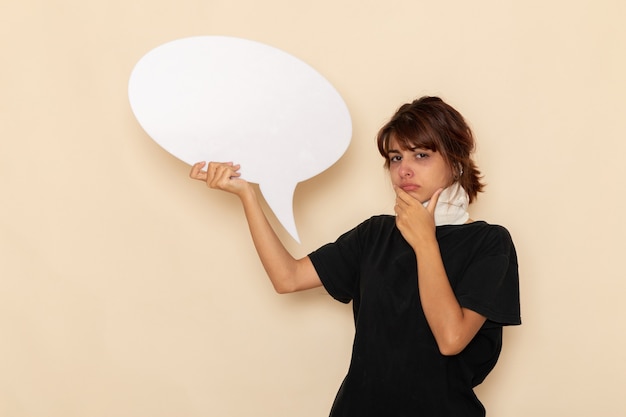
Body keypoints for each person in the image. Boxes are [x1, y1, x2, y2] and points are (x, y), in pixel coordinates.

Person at [189, 96, 521, 417]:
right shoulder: (374, 234)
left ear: (456, 160)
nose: (404, 169)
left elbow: (451, 339)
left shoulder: (489, 242)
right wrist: (247, 195)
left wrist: (424, 241)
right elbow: (287, 277)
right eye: (395, 158)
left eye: (421, 155)